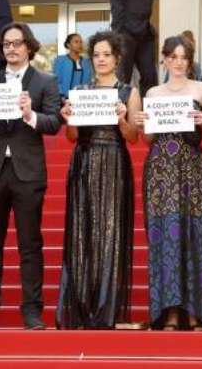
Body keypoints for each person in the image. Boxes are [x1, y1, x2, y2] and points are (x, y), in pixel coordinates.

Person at [0, 23, 62, 330]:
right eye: (7, 44)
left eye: (18, 43)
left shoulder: (46, 81)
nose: (12, 48)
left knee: (29, 244)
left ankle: (32, 310)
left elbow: (55, 122)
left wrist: (31, 114)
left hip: (28, 172)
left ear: (29, 47)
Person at [134, 34, 202, 331]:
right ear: (164, 58)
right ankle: (170, 312)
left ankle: (197, 311)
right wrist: (141, 124)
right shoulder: (153, 92)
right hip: (160, 170)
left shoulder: (201, 88)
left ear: (190, 60)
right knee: (166, 237)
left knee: (195, 234)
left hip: (191, 167)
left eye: (183, 57)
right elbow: (148, 139)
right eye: (172, 56)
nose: (177, 62)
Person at [57, 30, 140, 329]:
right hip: (84, 162)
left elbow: (133, 137)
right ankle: (79, 306)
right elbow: (71, 137)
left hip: (115, 163)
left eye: (107, 54)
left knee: (111, 234)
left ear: (117, 58)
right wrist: (70, 121)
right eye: (97, 55)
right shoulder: (80, 90)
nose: (101, 59)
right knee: (82, 233)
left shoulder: (129, 92)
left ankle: (106, 309)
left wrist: (120, 119)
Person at [111, 0, 157, 98]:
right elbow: (116, 3)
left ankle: (148, 115)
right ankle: (118, 115)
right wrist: (118, 35)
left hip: (144, 35)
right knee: (123, 77)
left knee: (150, 77)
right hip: (127, 34)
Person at [53, 33, 93, 98]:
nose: (79, 44)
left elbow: (89, 83)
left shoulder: (87, 62)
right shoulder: (60, 60)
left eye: (81, 42)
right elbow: (56, 81)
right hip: (63, 100)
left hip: (83, 100)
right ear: (68, 45)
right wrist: (62, 96)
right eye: (76, 42)